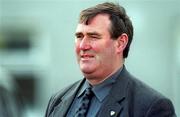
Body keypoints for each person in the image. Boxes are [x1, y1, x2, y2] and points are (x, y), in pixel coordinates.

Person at [45, 2, 176, 117]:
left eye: (93, 36)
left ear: (120, 43)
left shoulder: (151, 107)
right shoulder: (58, 101)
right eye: (79, 36)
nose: (82, 46)